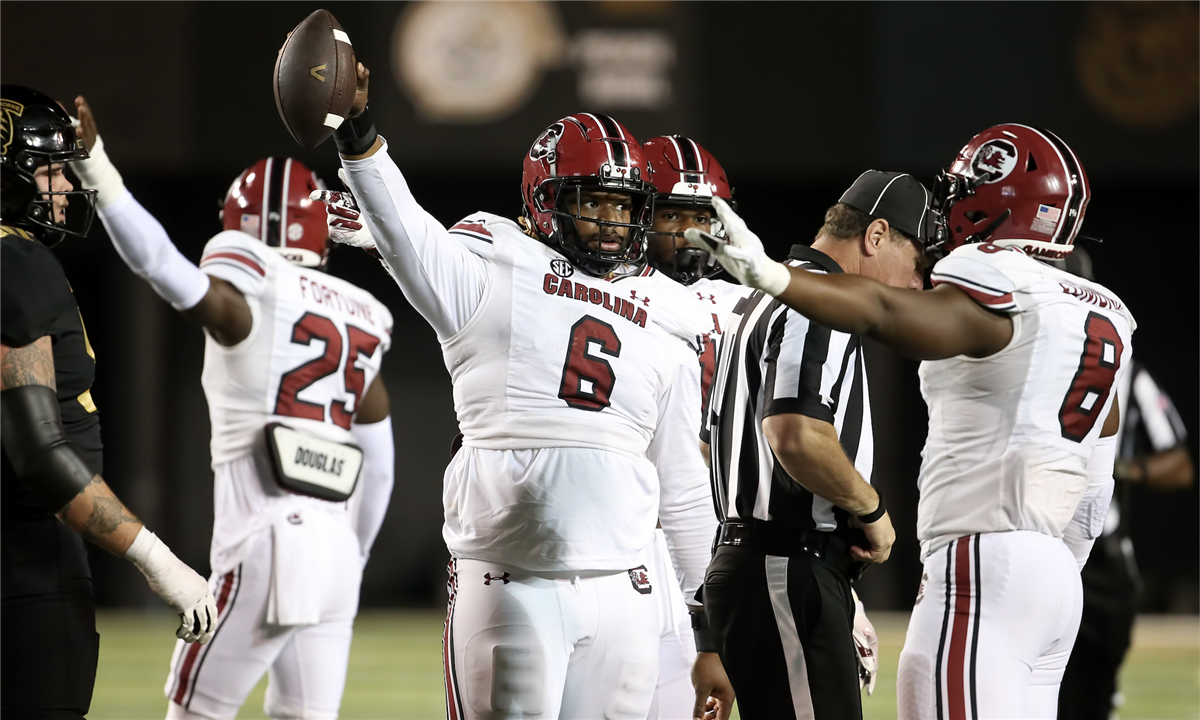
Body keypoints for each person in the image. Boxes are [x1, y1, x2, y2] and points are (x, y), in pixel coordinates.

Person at [690, 124, 1137, 719]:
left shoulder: (996, 281)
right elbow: (1095, 485)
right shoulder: (1102, 310)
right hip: (1056, 574)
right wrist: (1056, 570)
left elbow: (878, 309)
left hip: (983, 561)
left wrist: (775, 275)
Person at [315, 62, 715, 719]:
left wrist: (710, 628)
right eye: (593, 202)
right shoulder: (494, 260)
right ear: (545, 198)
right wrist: (360, 136)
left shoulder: (665, 307)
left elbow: (682, 481)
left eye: (625, 205)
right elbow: (412, 237)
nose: (613, 223)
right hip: (511, 579)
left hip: (625, 590)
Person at [69, 97, 395, 720]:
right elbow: (379, 464)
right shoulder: (359, 314)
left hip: (266, 543)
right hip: (335, 553)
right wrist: (354, 555)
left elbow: (162, 265)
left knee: (195, 713)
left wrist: (99, 173)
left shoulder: (251, 293)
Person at [0, 85, 216, 720]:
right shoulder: (16, 262)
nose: (63, 184)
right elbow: (38, 451)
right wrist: (159, 561)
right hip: (26, 567)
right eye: (47, 169)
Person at [696, 169, 926, 719]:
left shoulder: (755, 300)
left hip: (759, 562)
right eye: (918, 265)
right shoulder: (822, 301)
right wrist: (871, 510)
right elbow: (795, 433)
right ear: (875, 237)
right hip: (785, 564)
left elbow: (711, 447)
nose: (919, 289)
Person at [1057, 251, 1194, 720]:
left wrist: (1118, 468)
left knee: (1094, 691)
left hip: (1098, 553)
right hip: (1035, 536)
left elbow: (1179, 464)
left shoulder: (1125, 368)